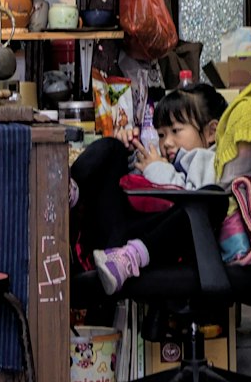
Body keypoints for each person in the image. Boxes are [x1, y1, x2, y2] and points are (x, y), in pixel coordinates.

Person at [71, 85, 228, 295]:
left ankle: (130, 257)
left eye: (176, 131)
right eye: (161, 135)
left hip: (162, 243)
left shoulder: (206, 159)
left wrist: (156, 167)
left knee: (211, 200)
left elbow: (190, 199)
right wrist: (130, 152)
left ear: (211, 132)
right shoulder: (168, 161)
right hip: (120, 234)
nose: (167, 142)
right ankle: (71, 191)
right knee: (112, 148)